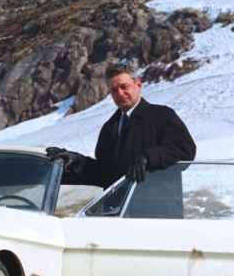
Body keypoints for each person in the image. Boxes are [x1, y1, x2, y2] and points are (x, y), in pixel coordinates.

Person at [47, 62, 196, 186]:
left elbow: (185, 149)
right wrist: (76, 161)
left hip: (155, 212)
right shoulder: (109, 128)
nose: (120, 93)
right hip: (117, 214)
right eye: (114, 90)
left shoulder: (161, 115)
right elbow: (103, 173)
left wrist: (148, 157)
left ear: (138, 85)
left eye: (124, 87)